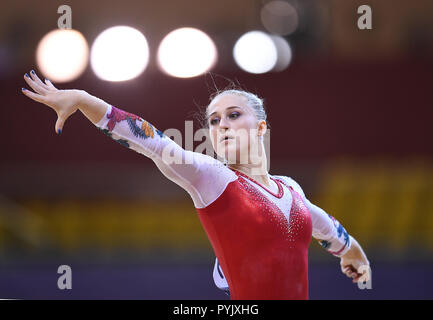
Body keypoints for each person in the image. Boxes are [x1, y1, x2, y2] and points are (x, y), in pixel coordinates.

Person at [21, 70, 370, 300]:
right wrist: (84, 100)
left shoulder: (290, 188)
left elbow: (328, 229)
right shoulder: (214, 178)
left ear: (261, 128)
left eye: (234, 115)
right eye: (214, 121)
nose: (223, 125)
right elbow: (155, 142)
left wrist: (353, 253)